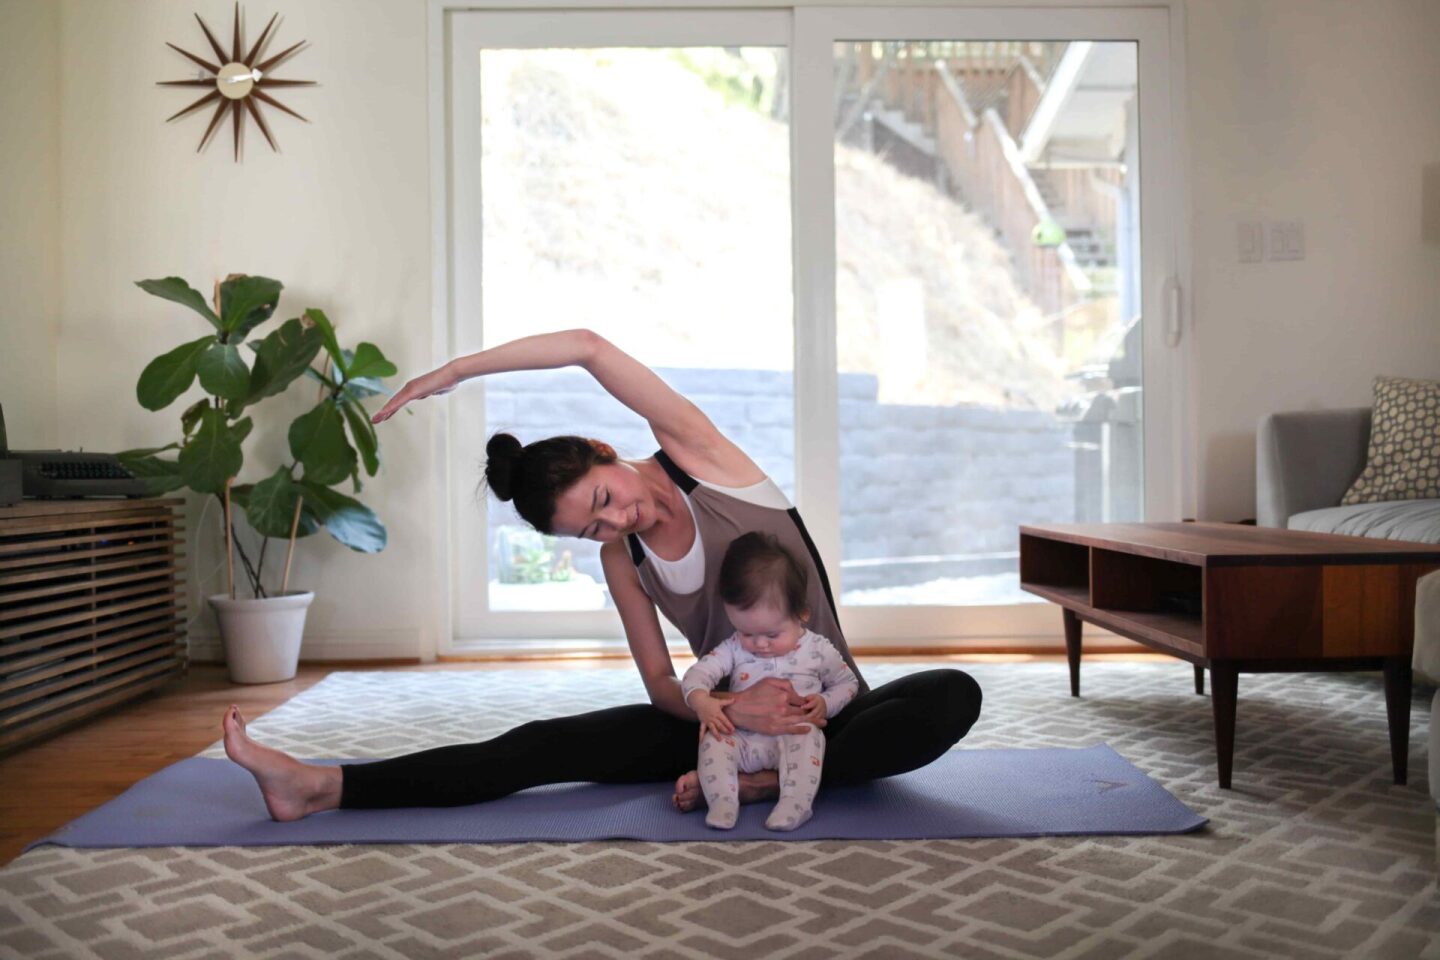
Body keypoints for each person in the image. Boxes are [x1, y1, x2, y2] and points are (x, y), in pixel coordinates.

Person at [221, 329, 982, 821]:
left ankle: (762, 787)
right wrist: (732, 710)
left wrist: (453, 371)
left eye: (605, 501)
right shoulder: (627, 560)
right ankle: (320, 786)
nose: (614, 525)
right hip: (722, 726)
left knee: (953, 695)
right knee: (541, 745)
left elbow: (587, 346)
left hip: (830, 715)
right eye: (591, 529)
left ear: (603, 450)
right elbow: (659, 682)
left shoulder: (703, 460)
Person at [683, 532, 859, 831]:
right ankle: (724, 799)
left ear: (801, 615)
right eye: (747, 633)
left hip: (793, 733)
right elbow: (697, 674)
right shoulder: (734, 647)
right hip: (744, 738)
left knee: (809, 740)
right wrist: (701, 701)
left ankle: (796, 804)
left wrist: (825, 703)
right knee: (713, 741)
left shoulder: (818, 649)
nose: (759, 644)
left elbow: (848, 683)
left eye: (772, 635)